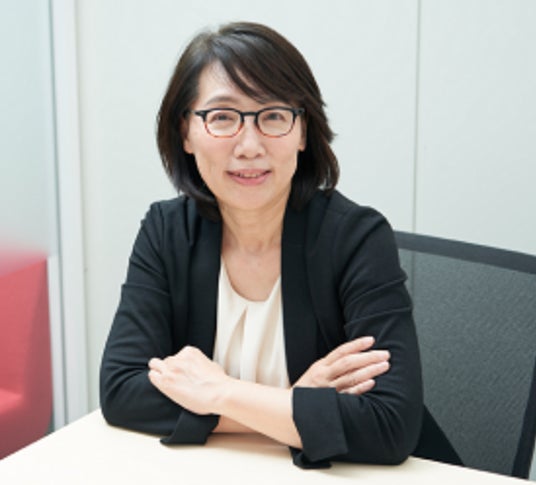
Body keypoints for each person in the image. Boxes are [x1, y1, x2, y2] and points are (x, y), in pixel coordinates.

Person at [100, 21, 424, 468]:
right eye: (222, 117)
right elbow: (122, 391)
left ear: (303, 131)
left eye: (273, 116)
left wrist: (221, 393)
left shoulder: (356, 238)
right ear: (186, 132)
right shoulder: (166, 232)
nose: (250, 146)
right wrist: (292, 403)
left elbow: (390, 426)